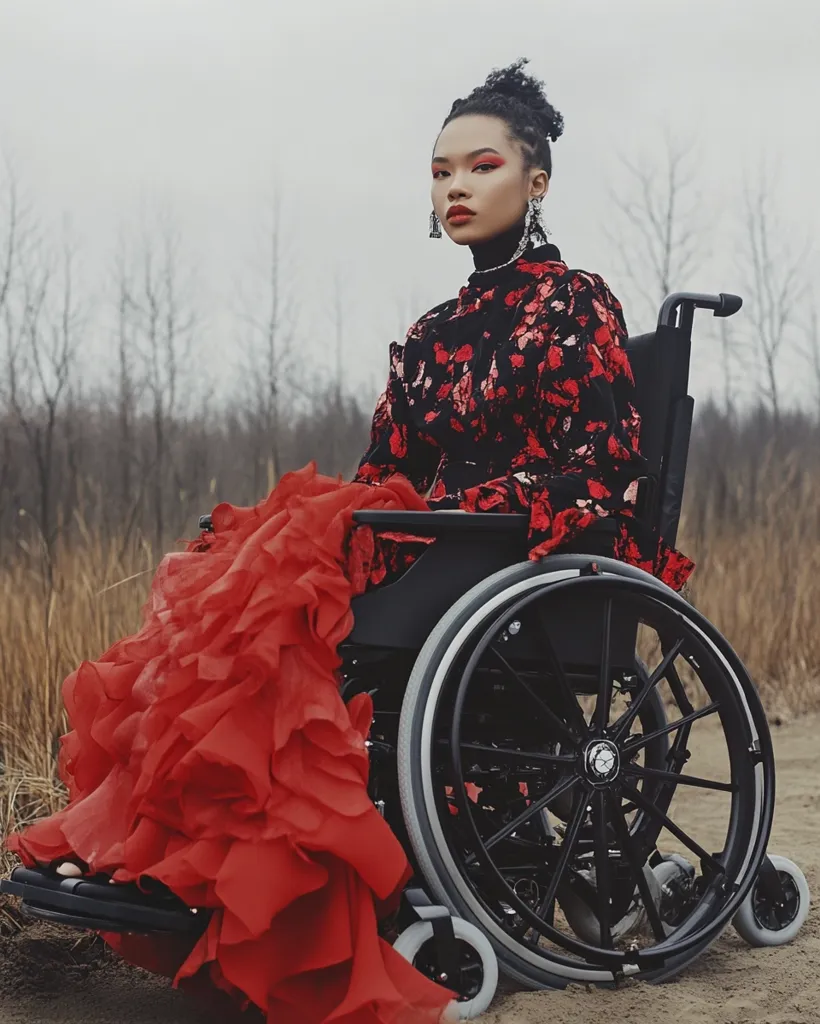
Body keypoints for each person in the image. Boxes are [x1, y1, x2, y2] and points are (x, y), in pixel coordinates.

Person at [6, 59, 693, 1024]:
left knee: (280, 604)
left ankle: (236, 871)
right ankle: (181, 859)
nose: (455, 186)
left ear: (535, 180)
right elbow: (382, 477)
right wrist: (371, 524)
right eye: (440, 171)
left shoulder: (572, 303)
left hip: (523, 561)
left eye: (480, 166)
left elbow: (600, 474)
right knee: (248, 598)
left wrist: (458, 509)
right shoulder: (431, 332)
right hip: (437, 550)